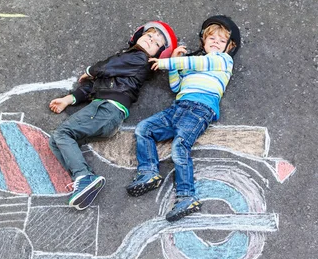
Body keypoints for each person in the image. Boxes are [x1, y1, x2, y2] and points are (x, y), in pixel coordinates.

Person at [49, 21, 177, 210]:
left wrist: (90, 71)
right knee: (57, 141)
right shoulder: (127, 64)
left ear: (157, 56)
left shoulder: (139, 59)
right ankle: (84, 181)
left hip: (107, 109)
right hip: (107, 114)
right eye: (149, 35)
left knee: (63, 134)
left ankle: (85, 177)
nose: (151, 40)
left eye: (157, 43)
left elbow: (109, 65)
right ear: (138, 36)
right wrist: (70, 99)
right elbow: (98, 85)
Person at [127, 15, 240, 222]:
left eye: (221, 41)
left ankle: (187, 196)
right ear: (203, 41)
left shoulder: (223, 60)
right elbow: (176, 87)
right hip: (178, 106)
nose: (215, 43)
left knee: (180, 147)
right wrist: (174, 67)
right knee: (145, 129)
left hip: (200, 108)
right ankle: (148, 172)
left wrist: (166, 62)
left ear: (229, 47)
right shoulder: (191, 65)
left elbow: (197, 61)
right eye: (211, 39)